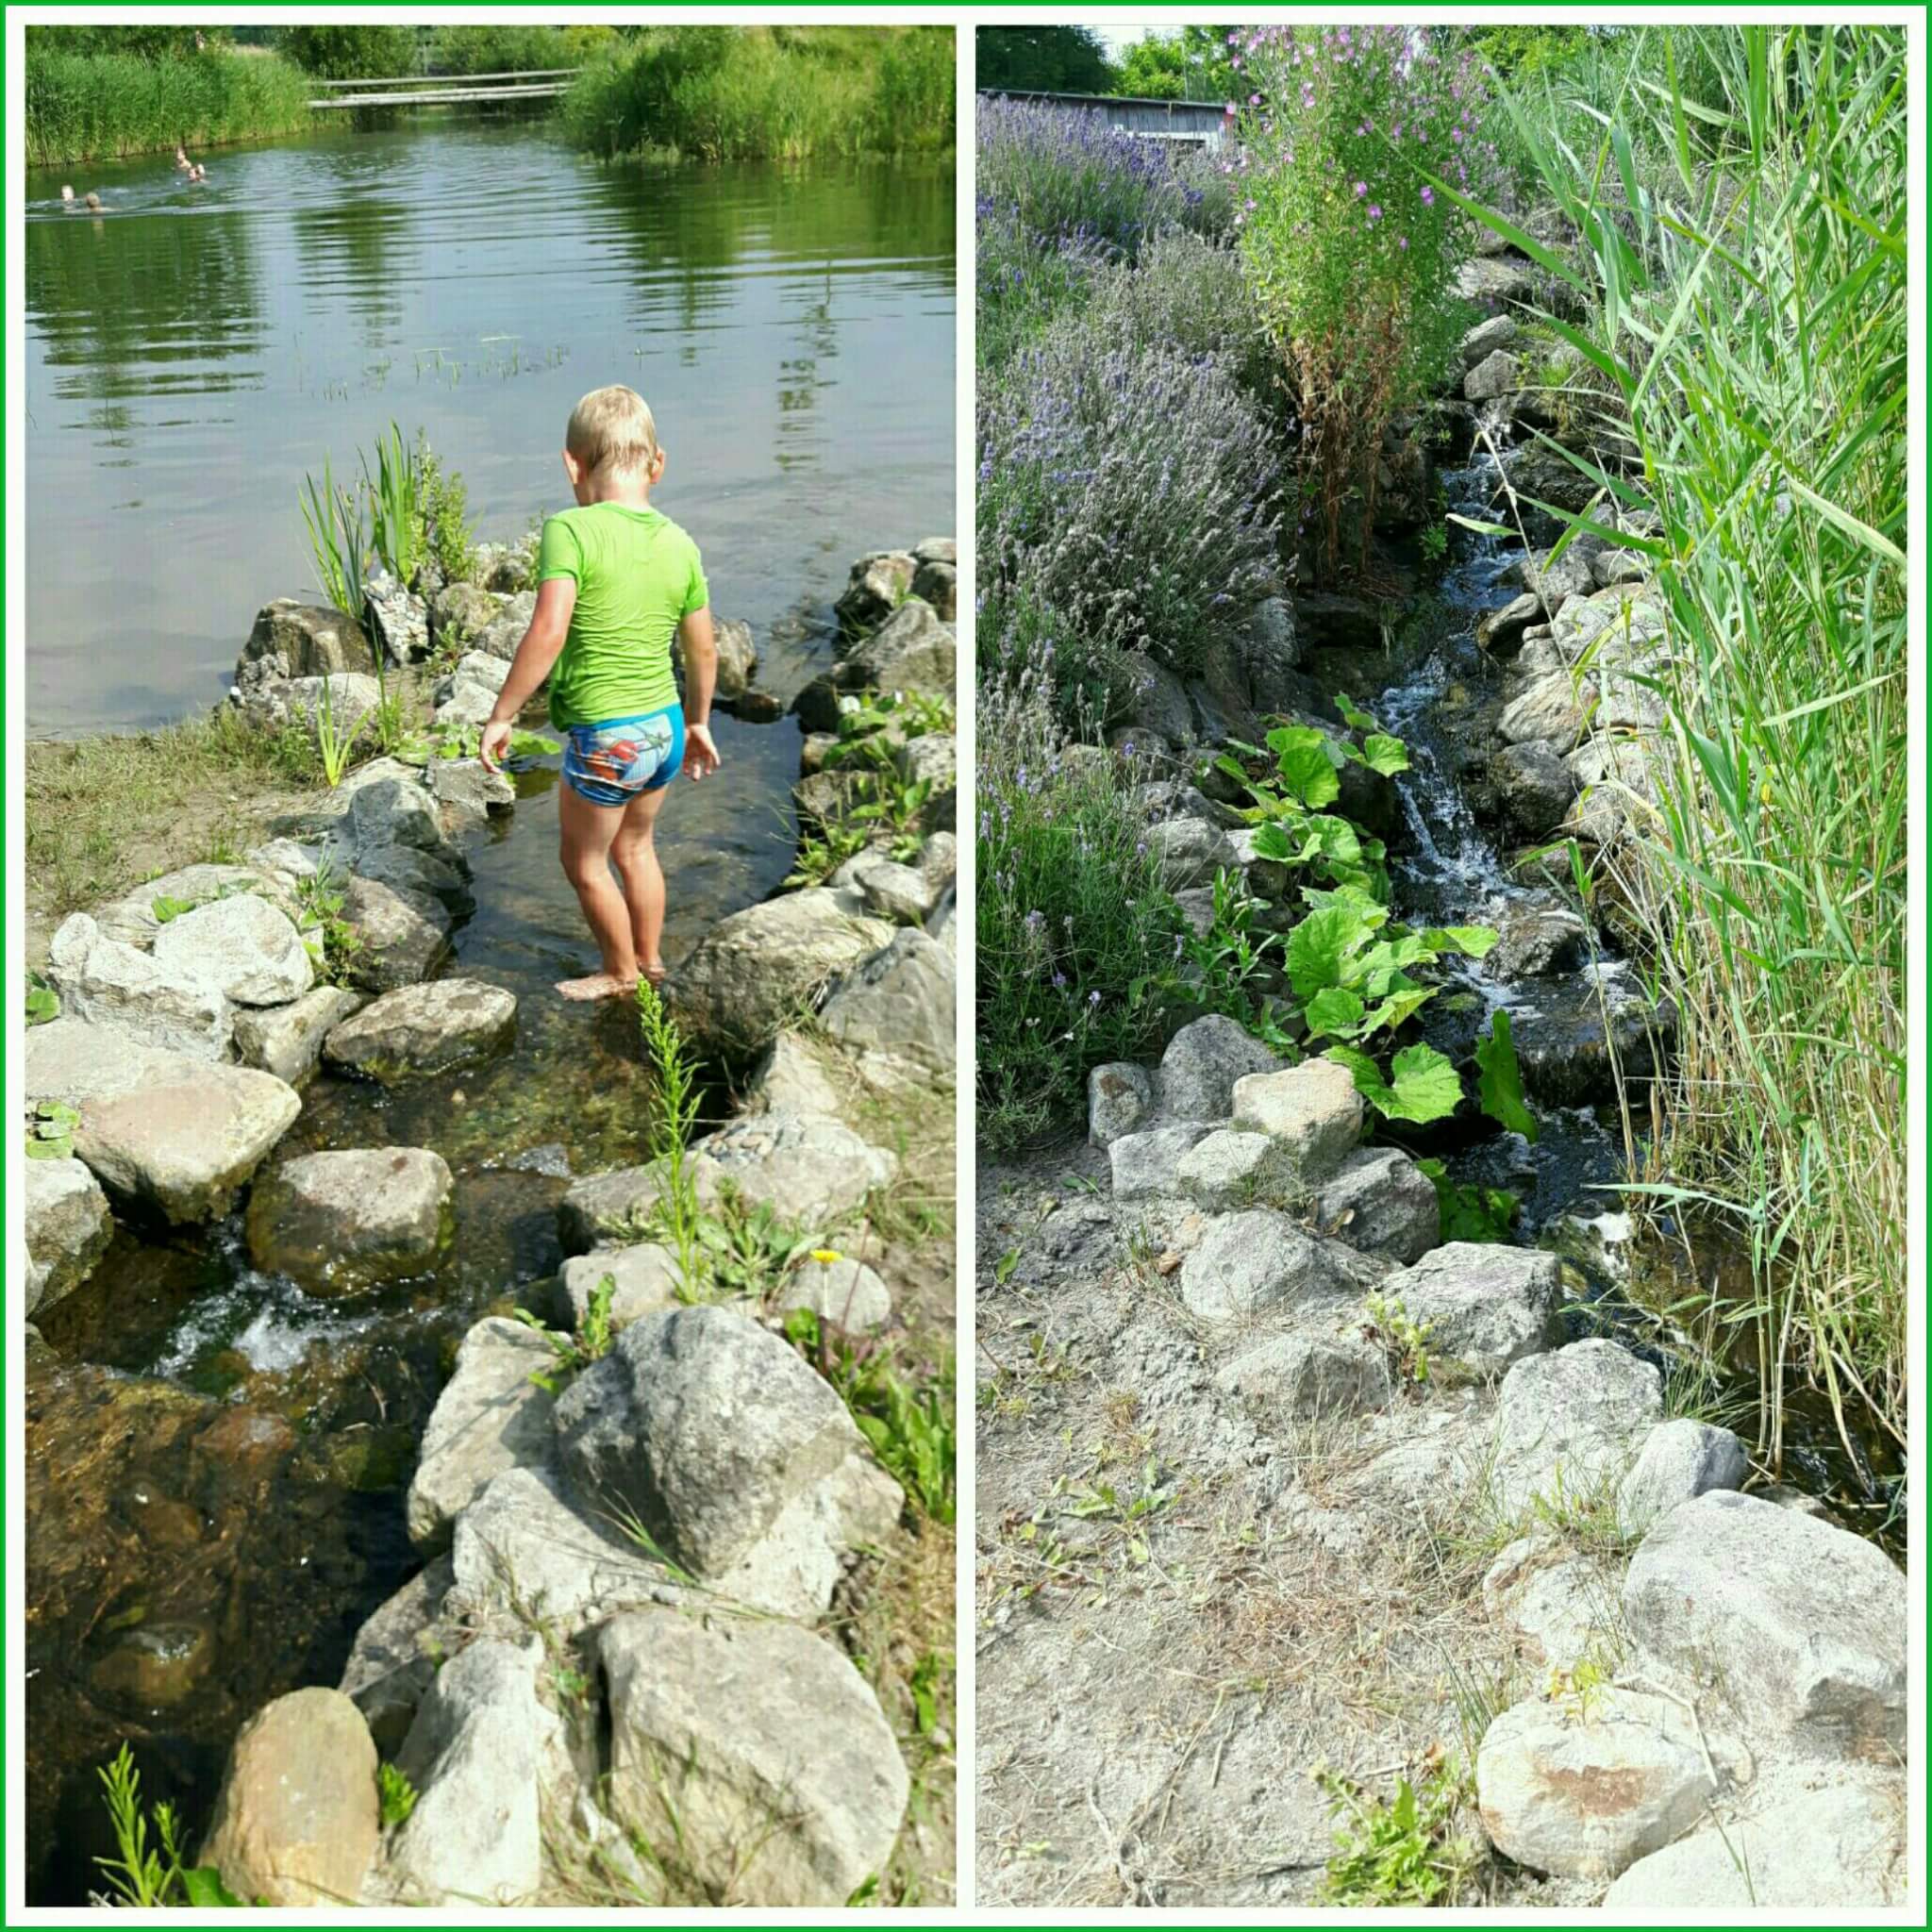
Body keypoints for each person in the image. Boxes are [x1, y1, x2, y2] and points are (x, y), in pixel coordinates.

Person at [481, 385, 720, 1002]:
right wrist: (699, 724)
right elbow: (703, 651)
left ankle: (619, 972)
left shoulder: (570, 530)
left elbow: (549, 630)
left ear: (571, 465)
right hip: (665, 728)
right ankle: (651, 958)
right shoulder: (681, 544)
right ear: (657, 465)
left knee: (585, 863)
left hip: (607, 739)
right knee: (636, 847)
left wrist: (503, 713)